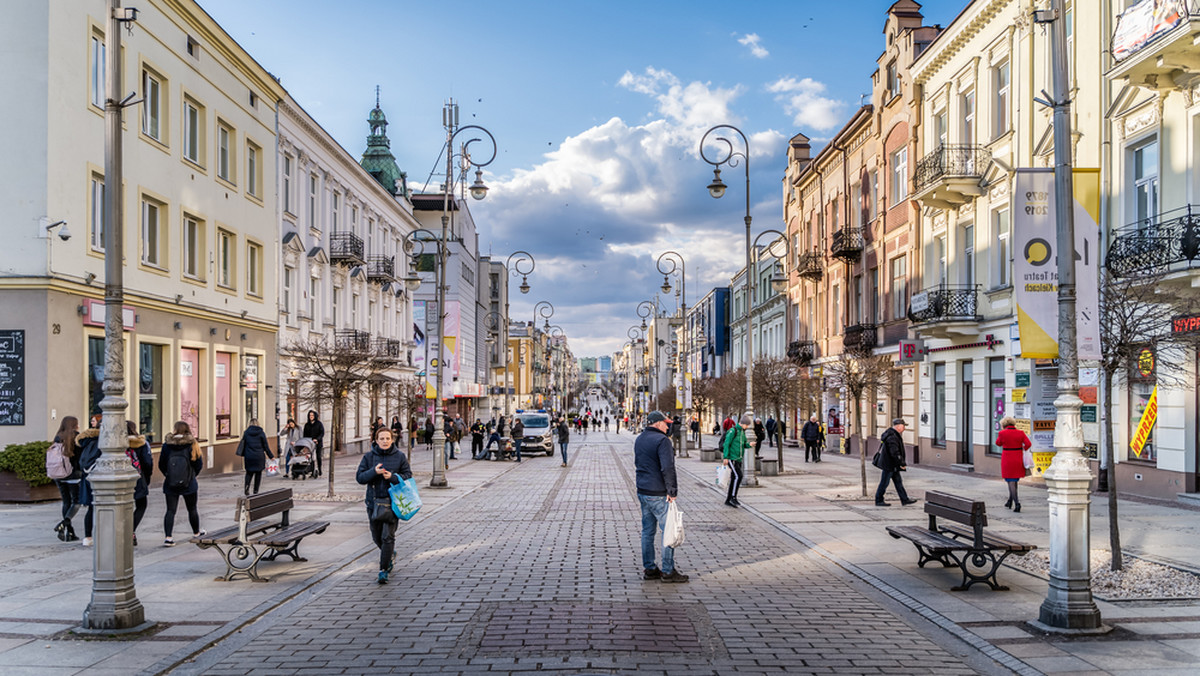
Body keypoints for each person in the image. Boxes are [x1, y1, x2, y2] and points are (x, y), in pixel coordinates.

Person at [634, 411, 687, 583]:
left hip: (643, 491)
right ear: (657, 423)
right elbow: (667, 468)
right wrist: (672, 491)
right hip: (658, 493)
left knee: (647, 531)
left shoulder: (640, 439)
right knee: (668, 531)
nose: (667, 426)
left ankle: (649, 569)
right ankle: (667, 570)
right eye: (665, 423)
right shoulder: (663, 441)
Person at [355, 428, 412, 584]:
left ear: (392, 440)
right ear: (376, 440)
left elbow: (408, 475)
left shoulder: (399, 456)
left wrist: (393, 477)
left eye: (388, 438)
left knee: (387, 537)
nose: (385, 441)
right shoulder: (369, 457)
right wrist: (374, 472)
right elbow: (360, 478)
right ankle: (390, 554)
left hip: (393, 503)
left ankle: (383, 570)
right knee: (376, 536)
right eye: (382, 438)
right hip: (373, 503)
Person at [159, 420, 205, 546]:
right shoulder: (193, 444)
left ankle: (168, 537)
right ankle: (196, 533)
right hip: (189, 483)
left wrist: (169, 475)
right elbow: (198, 464)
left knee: (170, 510)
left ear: (175, 429)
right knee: (192, 509)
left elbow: (161, 464)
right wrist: (191, 476)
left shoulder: (167, 445)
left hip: (170, 483)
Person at [50, 416, 82, 542]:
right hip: (73, 474)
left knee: (66, 502)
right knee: (77, 501)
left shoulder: (58, 437)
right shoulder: (76, 437)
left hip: (59, 474)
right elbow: (80, 457)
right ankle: (64, 523)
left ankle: (69, 532)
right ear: (75, 425)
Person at [875, 418, 918, 507]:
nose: (904, 429)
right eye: (903, 426)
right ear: (898, 426)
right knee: (884, 482)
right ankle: (879, 500)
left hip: (892, 464)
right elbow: (894, 452)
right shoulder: (892, 436)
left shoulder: (892, 434)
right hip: (889, 464)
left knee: (898, 482)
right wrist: (901, 463)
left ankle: (904, 499)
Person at [996, 416, 1033, 512]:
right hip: (1017, 457)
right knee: (1014, 480)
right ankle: (1009, 501)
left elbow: (998, 443)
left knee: (1010, 481)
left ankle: (1017, 503)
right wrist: (1022, 449)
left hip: (1007, 458)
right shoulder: (1020, 433)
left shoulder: (1002, 433)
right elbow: (1028, 444)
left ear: (1004, 425)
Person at [239, 418, 273, 496]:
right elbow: (266, 446)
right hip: (259, 456)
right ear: (258, 423)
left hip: (249, 456)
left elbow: (243, 444)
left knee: (249, 473)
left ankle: (247, 487)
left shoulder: (246, 433)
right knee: (258, 473)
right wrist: (271, 456)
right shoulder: (261, 433)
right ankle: (256, 490)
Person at [723, 414, 751, 508]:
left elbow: (743, 444)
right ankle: (733, 497)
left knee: (735, 477)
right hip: (732, 458)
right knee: (738, 476)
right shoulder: (733, 431)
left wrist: (749, 444)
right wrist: (726, 457)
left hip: (738, 458)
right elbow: (726, 444)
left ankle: (729, 499)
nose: (747, 427)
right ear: (743, 423)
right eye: (747, 425)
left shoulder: (742, 432)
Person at [303, 410, 325, 478]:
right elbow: (305, 434)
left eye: (312, 415)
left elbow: (322, 433)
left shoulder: (319, 424)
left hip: (318, 443)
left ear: (315, 416)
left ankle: (319, 469)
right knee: (311, 457)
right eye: (310, 416)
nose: (311, 417)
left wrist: (317, 439)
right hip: (310, 443)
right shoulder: (307, 425)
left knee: (318, 456)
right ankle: (312, 470)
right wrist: (306, 442)